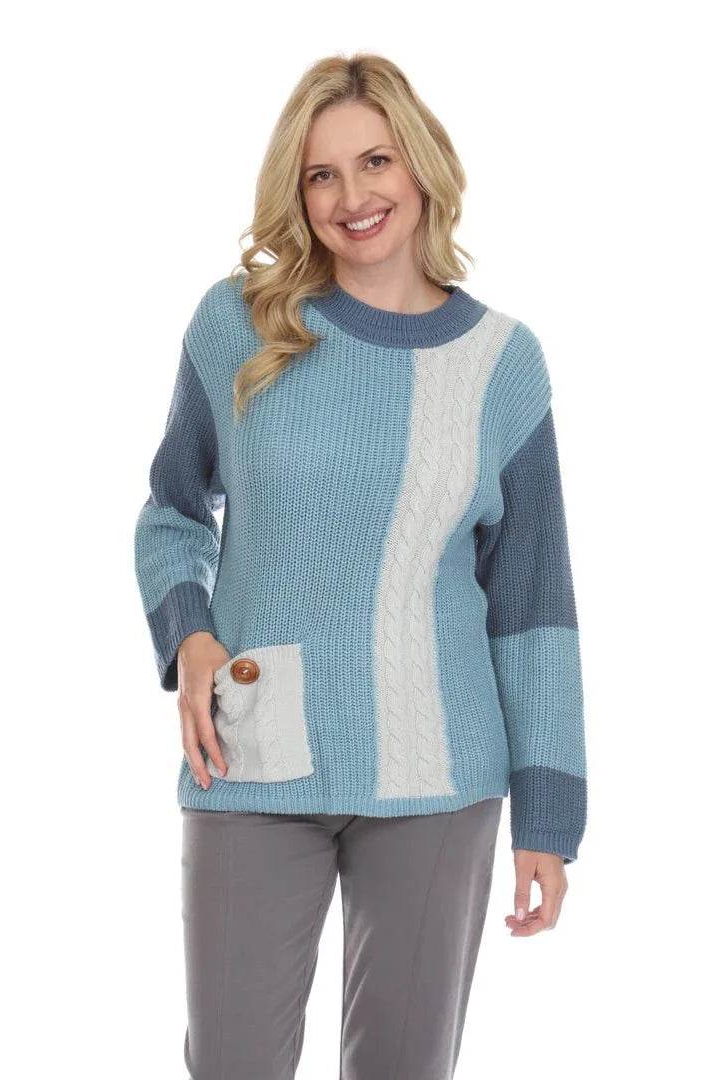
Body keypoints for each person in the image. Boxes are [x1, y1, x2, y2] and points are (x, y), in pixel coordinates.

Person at [133, 51, 587, 1080]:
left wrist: (549, 816)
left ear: (421, 164)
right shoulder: (238, 325)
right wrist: (189, 637)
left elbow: (533, 602)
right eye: (320, 174)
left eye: (375, 160)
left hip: (440, 774)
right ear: (296, 194)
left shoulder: (503, 365)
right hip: (251, 755)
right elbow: (171, 514)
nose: (352, 197)